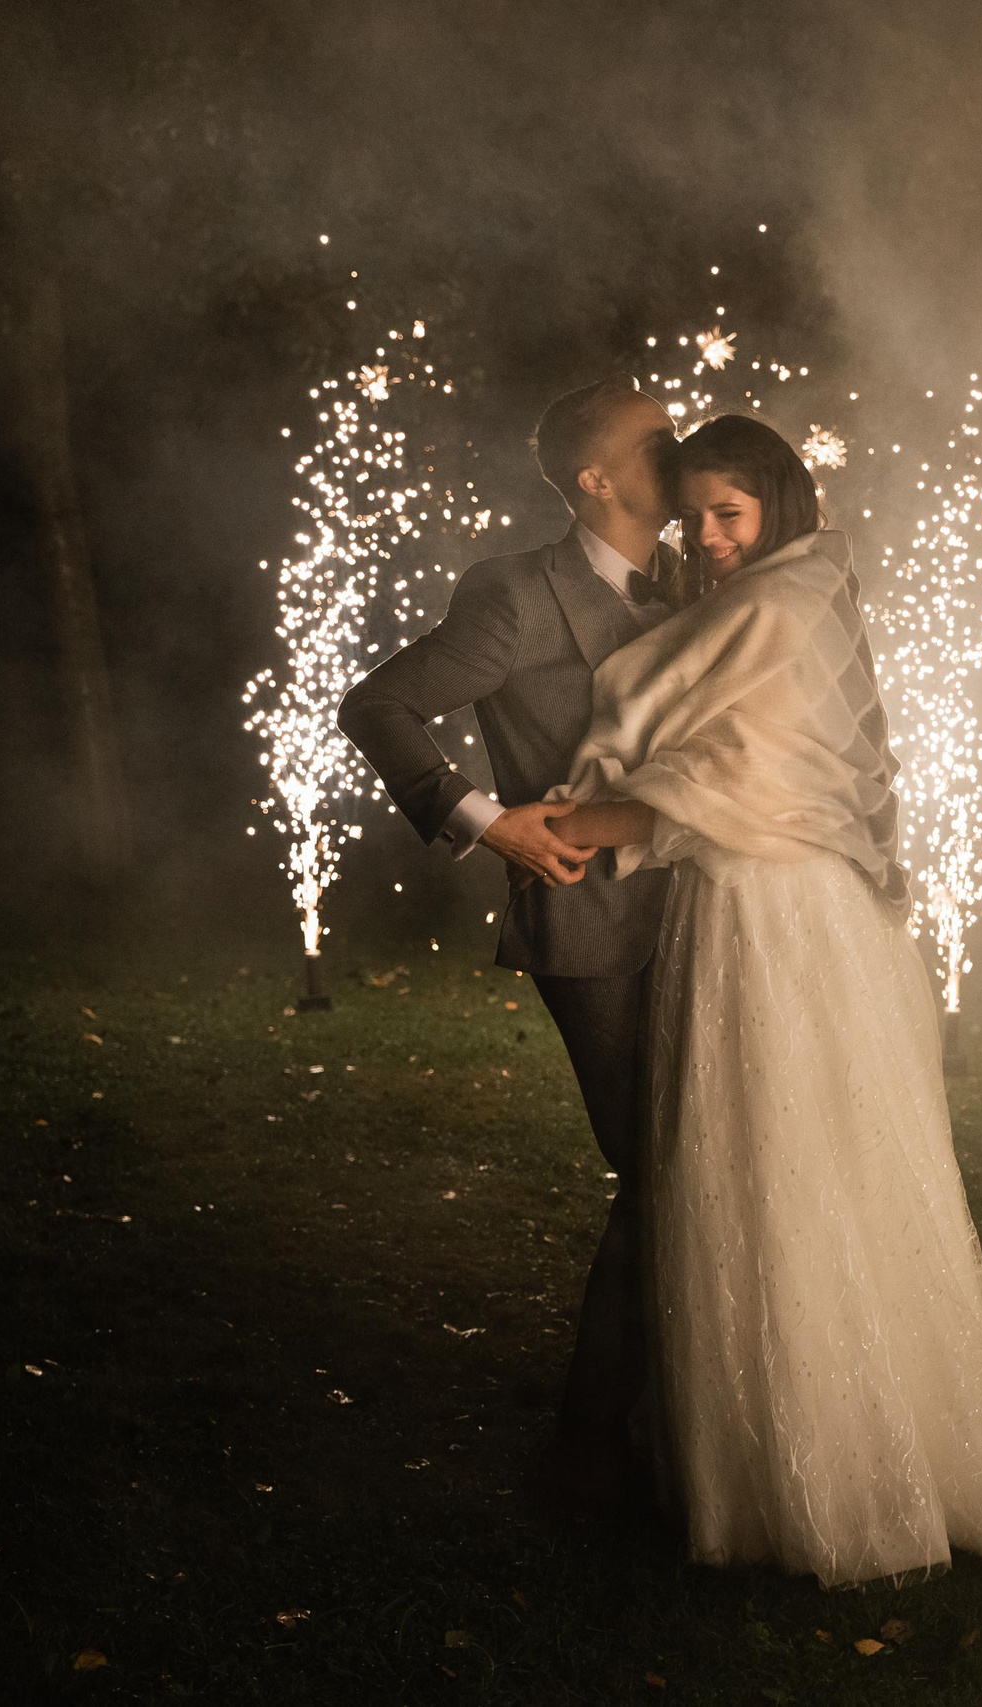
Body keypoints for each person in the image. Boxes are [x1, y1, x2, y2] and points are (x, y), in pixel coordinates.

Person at [542, 413, 982, 1589]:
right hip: (756, 908)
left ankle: (844, 1472)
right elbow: (725, 759)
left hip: (780, 918)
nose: (710, 538)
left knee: (798, 1154)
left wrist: (576, 819)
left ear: (776, 501)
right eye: (695, 520)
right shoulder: (792, 595)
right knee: (753, 1160)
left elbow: (728, 768)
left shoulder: (781, 603)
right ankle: (774, 1452)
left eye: (729, 514)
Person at [336, 376, 681, 1521]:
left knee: (707, 1167)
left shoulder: (696, 576)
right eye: (654, 438)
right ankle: (588, 1452)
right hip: (592, 921)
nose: (679, 447)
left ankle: (672, 1419)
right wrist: (490, 823)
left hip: (713, 916)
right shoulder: (518, 592)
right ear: (594, 479)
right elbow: (377, 705)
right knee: (659, 1176)